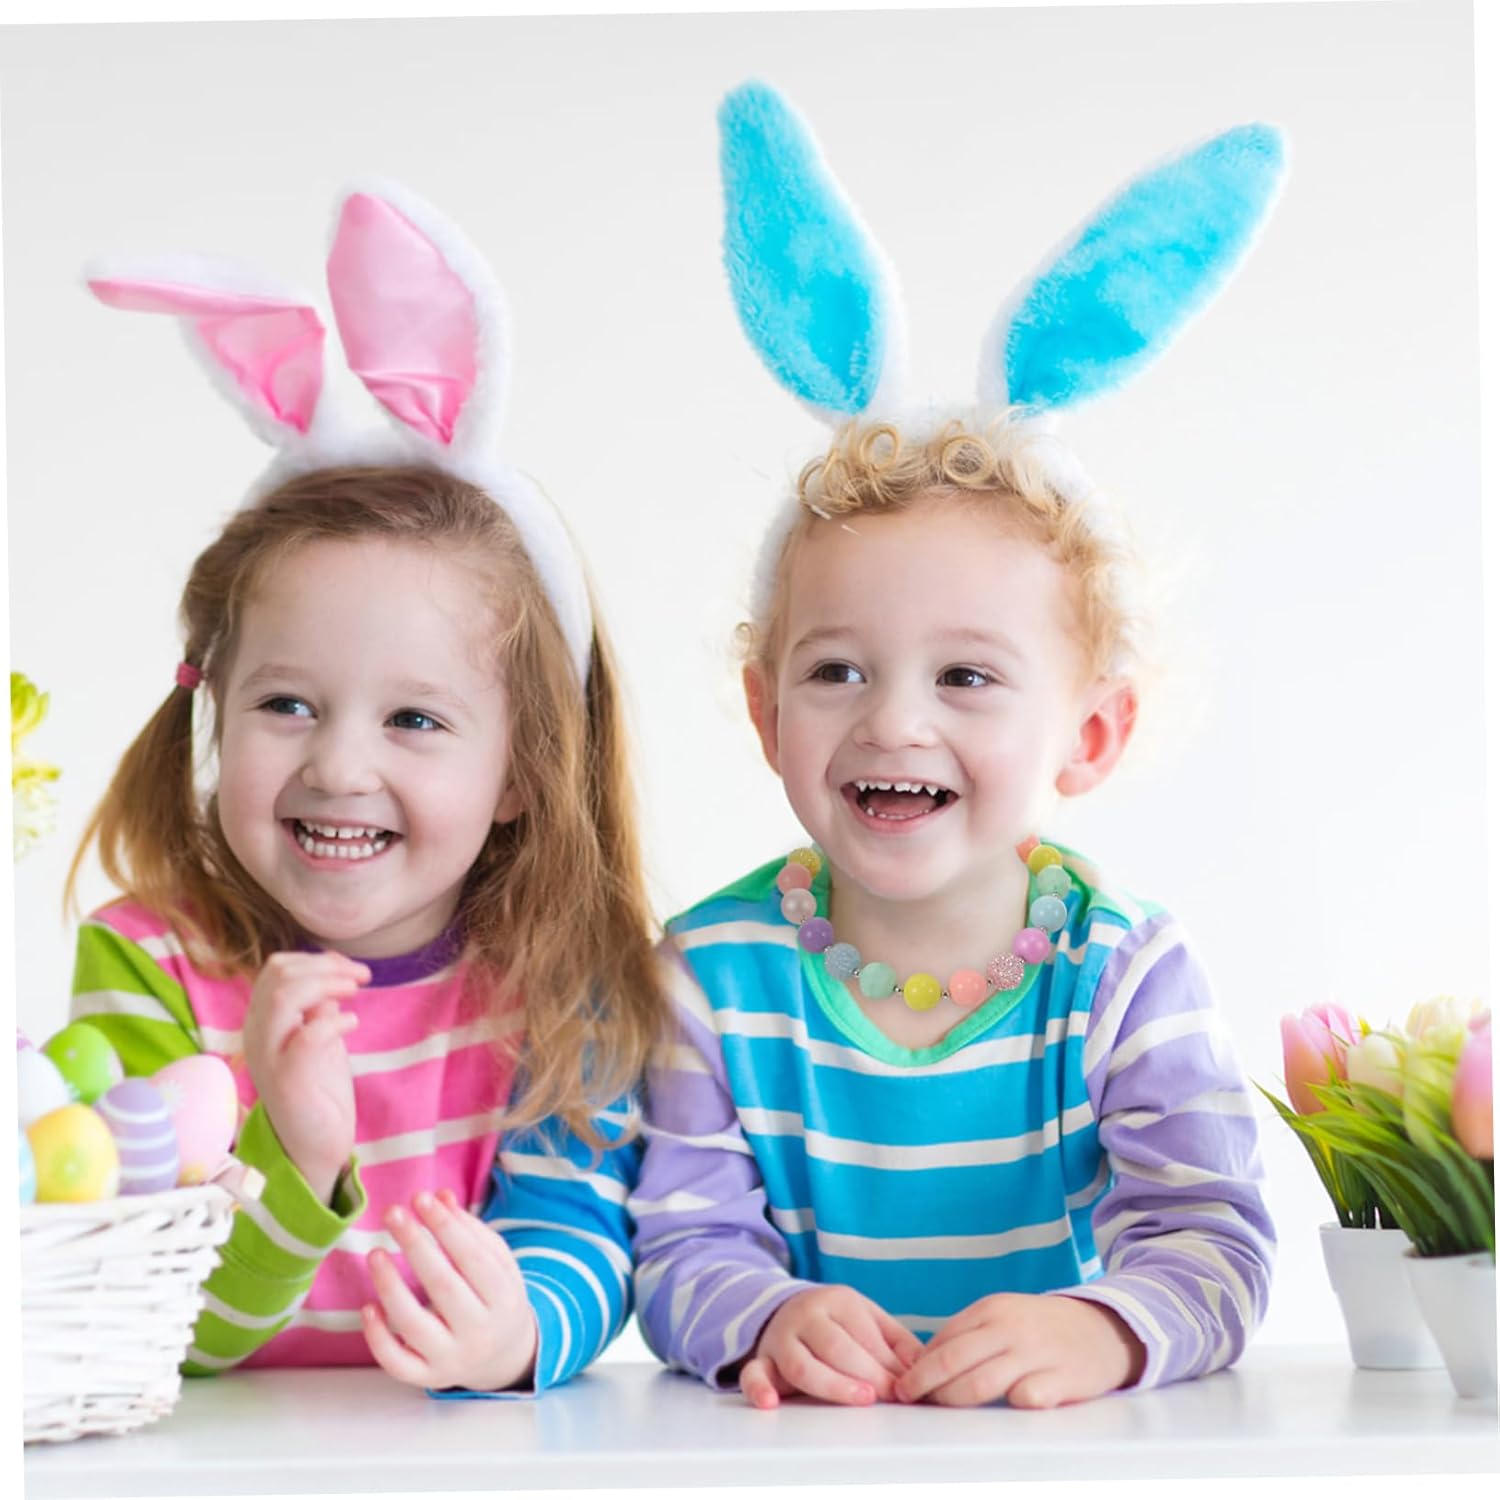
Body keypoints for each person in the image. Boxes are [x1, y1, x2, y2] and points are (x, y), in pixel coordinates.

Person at [630, 83, 1284, 1411]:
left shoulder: (1123, 972)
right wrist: (765, 1319)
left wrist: (1104, 1332)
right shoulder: (708, 976)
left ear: (1089, 734)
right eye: (836, 671)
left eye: (968, 676)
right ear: (764, 713)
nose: (894, 721)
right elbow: (682, 1243)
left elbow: (1212, 1239)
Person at [64, 183, 662, 1396]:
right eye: (286, 704)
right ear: (213, 704)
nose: (339, 767)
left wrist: (522, 1335)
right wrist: (297, 1153)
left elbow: (583, 1233)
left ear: (521, 774)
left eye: (414, 720)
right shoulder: (148, 964)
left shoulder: (559, 981)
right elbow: (164, 1327)